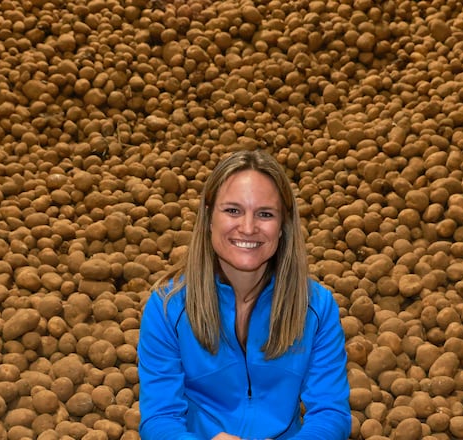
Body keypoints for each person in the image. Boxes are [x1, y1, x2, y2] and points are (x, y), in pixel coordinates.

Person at [137, 149, 351, 440]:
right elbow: (159, 419)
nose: (248, 228)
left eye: (265, 214)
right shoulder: (167, 308)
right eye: (233, 210)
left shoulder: (316, 307)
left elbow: (331, 412)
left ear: (283, 225)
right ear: (209, 215)